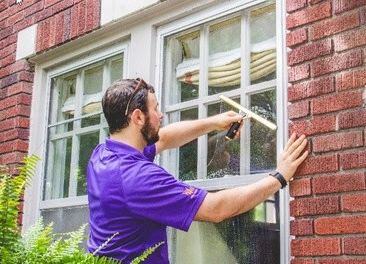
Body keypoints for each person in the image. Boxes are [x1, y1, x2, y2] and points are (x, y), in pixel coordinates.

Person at [86, 78, 308, 263]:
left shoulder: (104, 153)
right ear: (137, 117)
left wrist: (214, 123)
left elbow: (165, 137)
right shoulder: (137, 177)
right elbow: (216, 209)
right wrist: (279, 176)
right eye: (155, 109)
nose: (160, 115)